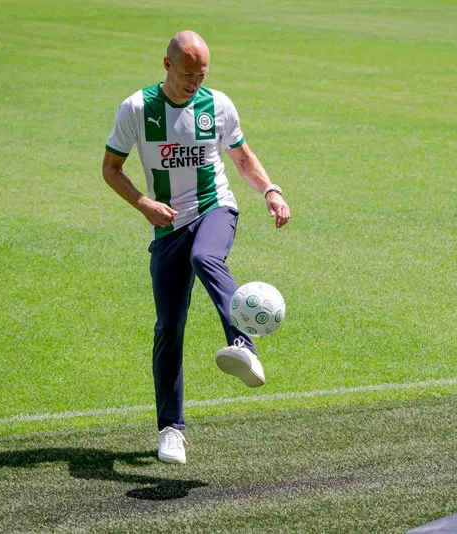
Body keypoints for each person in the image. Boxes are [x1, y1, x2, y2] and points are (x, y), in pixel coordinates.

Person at [102, 30, 290, 464]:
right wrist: (143, 203)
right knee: (169, 327)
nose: (194, 82)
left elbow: (241, 157)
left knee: (206, 256)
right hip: (167, 226)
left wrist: (271, 191)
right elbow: (111, 169)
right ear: (167, 65)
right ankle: (171, 428)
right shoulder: (137, 108)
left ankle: (244, 345)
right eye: (187, 74)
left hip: (214, 208)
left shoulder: (217, 104)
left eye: (201, 74)